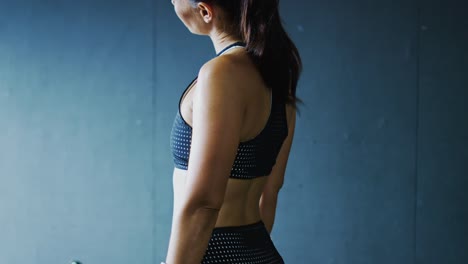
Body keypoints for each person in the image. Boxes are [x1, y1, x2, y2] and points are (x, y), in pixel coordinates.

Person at [165, 0, 302, 263]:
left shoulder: (221, 74)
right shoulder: (277, 76)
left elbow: (203, 203)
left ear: (205, 10)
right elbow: (270, 190)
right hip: (260, 252)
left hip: (213, 254)